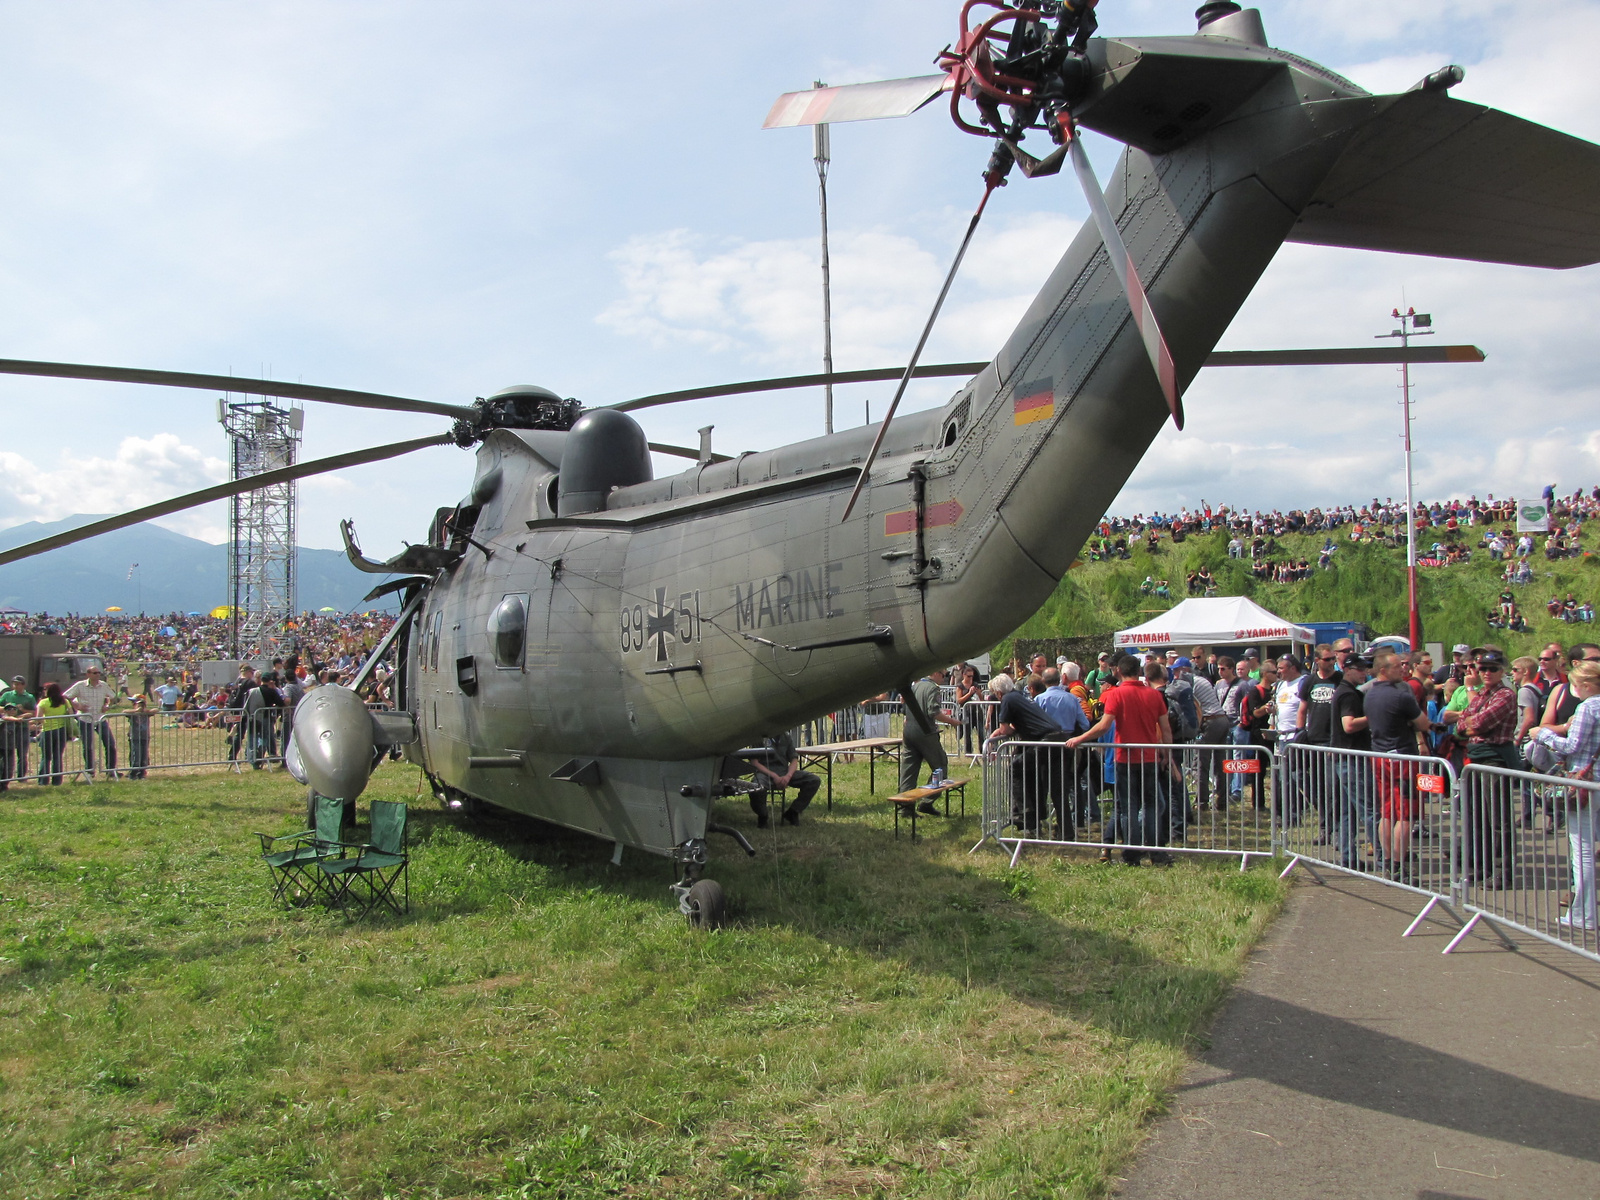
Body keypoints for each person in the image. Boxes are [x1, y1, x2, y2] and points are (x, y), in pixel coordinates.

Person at [1069, 654, 1173, 866]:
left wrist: (1080, 738)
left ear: (1118, 671)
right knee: (1151, 806)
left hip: (1124, 758)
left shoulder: (1116, 694)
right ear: (1139, 671)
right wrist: (1167, 755)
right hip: (1150, 758)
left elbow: (1104, 725)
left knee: (1128, 808)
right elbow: (1166, 729)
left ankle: (1131, 854)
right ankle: (1155, 852)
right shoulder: (1154, 695)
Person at [1529, 660, 1600, 931]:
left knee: (1581, 851)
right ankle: (1584, 912)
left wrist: (1543, 735)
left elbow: (1572, 746)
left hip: (1583, 781)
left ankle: (1584, 914)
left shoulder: (1587, 707)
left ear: (1584, 685)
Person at [1365, 651, 1432, 882]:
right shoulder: (1401, 696)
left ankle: (1387, 861)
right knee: (1404, 815)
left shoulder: (1370, 695)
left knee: (1387, 812)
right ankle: (1396, 865)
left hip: (1380, 756)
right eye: (1396, 667)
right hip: (1401, 758)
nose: (1402, 670)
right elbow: (1423, 722)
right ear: (1383, 670)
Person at [1457, 648, 1521, 888]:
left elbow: (1481, 722)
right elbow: (1462, 724)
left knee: (1499, 820)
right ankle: (1483, 867)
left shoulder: (1505, 694)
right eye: (1481, 668)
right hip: (1476, 759)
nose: (1485, 673)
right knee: (1479, 819)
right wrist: (1469, 725)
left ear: (1502, 670)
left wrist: (1470, 725)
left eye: (1492, 669)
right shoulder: (1482, 694)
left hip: (1495, 759)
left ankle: (1504, 872)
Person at [986, 673, 1066, 835]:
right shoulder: (1019, 696)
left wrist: (997, 733)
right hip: (1055, 736)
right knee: (1031, 775)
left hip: (1045, 740)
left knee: (1015, 769)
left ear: (999, 693)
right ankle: (1036, 816)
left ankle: (1026, 814)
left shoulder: (1007, 700)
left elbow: (1006, 729)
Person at [1329, 654, 1375, 869]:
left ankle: (1348, 857)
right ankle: (1386, 857)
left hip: (1345, 757)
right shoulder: (1348, 694)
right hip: (1351, 757)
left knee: (1349, 811)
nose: (1363, 672)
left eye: (1365, 668)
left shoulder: (1347, 692)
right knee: (1368, 810)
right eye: (1359, 669)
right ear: (1347, 669)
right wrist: (1374, 716)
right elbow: (1348, 725)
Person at [1036, 667, 1092, 834]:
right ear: (1059, 680)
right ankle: (1071, 826)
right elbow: (1085, 724)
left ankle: (1045, 826)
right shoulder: (1072, 699)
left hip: (1047, 746)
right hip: (1068, 745)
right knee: (1067, 786)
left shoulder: (1040, 699)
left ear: (1043, 681)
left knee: (1046, 786)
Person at [900, 668, 957, 808]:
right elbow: (934, 712)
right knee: (940, 766)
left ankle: (904, 807)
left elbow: (904, 709)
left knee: (909, 770)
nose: (944, 679)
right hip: (925, 732)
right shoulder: (933, 688)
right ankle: (926, 802)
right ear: (936, 673)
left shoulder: (915, 686)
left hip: (909, 731)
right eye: (943, 675)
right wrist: (953, 722)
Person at [748, 729, 820, 828]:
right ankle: (763, 815)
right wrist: (774, 776)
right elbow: (754, 762)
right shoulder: (759, 737)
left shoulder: (785, 736)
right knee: (756, 788)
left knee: (813, 780)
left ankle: (793, 812)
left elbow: (794, 759)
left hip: (784, 772)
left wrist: (788, 776)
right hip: (764, 773)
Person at [65, 665, 118, 779]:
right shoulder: (80, 685)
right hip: (85, 719)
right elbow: (65, 696)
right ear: (88, 674)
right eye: (95, 673)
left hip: (100, 719)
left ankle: (111, 770)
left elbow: (113, 696)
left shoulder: (103, 685)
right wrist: (77, 705)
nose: (98, 675)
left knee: (110, 744)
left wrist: (107, 705)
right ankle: (90, 770)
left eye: (99, 672)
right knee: (88, 746)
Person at [34, 683, 74, 787]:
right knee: (58, 756)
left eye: (45, 689)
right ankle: (57, 781)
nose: (44, 691)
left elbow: (39, 719)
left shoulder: (43, 702)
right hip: (61, 731)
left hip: (47, 731)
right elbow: (70, 714)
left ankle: (43, 781)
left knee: (46, 757)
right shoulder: (65, 701)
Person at [0, 673, 35, 790]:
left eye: (18, 684)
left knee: (22, 752)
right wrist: (8, 709)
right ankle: (6, 777)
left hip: (22, 726)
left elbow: (33, 712)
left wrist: (22, 710)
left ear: (23, 685)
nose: (15, 686)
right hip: (8, 727)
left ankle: (21, 776)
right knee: (7, 752)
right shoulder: (7, 695)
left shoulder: (29, 697)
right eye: (14, 684)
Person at [124, 694, 151, 779]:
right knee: (135, 754)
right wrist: (136, 711)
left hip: (144, 737)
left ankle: (142, 772)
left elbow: (156, 710)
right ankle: (133, 772)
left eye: (135, 702)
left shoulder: (146, 713)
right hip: (135, 737)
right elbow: (124, 711)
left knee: (144, 755)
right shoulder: (132, 713)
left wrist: (146, 711)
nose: (133, 704)